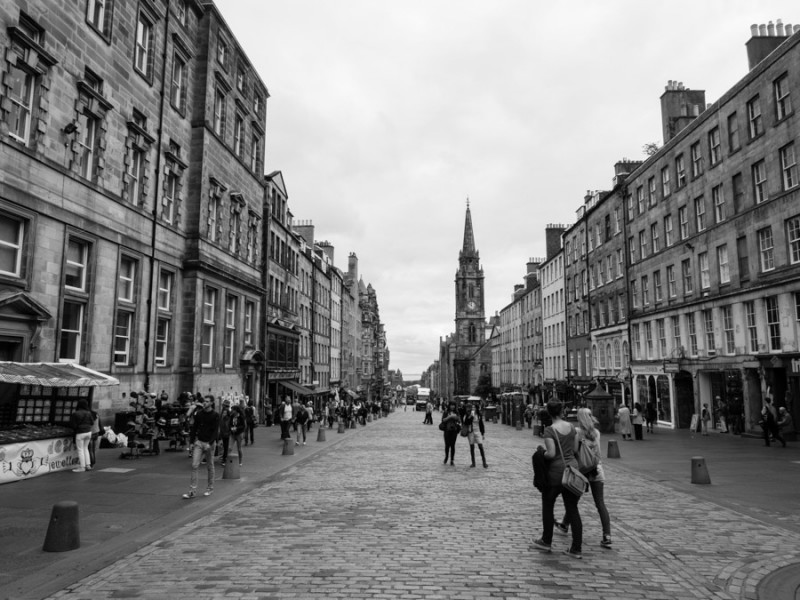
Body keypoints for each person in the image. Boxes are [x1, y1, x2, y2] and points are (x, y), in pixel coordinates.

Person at [530, 399, 583, 559]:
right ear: (562, 411)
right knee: (572, 509)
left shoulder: (550, 430)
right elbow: (575, 449)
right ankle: (576, 548)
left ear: (549, 413)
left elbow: (551, 454)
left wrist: (541, 452)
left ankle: (546, 541)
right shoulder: (572, 427)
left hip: (556, 473)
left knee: (548, 504)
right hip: (572, 470)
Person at [554, 408, 612, 549]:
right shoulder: (596, 433)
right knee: (600, 504)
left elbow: (574, 450)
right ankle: (607, 535)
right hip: (597, 470)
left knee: (573, 501)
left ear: (580, 419)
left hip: (582, 472)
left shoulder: (577, 432)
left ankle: (565, 524)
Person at [183, 395, 220, 498]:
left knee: (210, 466)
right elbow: (194, 428)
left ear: (211, 403)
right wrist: (191, 442)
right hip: (199, 442)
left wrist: (210, 443)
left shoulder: (215, 415)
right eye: (204, 401)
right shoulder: (199, 414)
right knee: (194, 465)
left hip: (209, 443)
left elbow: (216, 431)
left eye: (207, 401)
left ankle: (210, 488)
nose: (205, 403)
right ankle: (192, 491)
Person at [69, 399, 94, 472]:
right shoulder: (89, 413)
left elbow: (73, 425)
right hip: (88, 432)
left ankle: (82, 467)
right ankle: (88, 465)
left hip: (80, 433)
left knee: (80, 450)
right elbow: (92, 422)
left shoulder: (75, 413)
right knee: (86, 448)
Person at [463, 402, 488, 468]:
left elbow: (481, 424)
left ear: (477, 408)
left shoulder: (479, 415)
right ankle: (473, 463)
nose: (473, 409)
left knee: (480, 446)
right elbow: (466, 422)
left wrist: (482, 433)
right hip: (470, 432)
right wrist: (470, 416)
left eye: (474, 407)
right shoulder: (468, 414)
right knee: (472, 447)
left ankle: (484, 462)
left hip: (477, 431)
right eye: (472, 407)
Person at [440, 401, 461, 465]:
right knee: (447, 445)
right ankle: (446, 457)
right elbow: (443, 420)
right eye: (451, 405)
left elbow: (459, 420)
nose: (452, 406)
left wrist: (455, 417)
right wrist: (450, 417)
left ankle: (452, 459)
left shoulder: (457, 412)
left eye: (453, 405)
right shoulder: (446, 412)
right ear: (449, 405)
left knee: (452, 445)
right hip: (447, 430)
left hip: (454, 430)